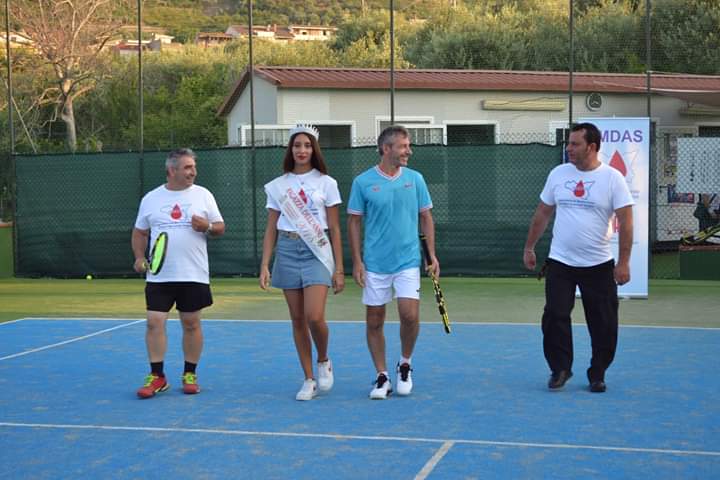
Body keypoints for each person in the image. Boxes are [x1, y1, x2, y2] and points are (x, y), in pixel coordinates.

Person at [523, 122, 634, 393]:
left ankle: (598, 373)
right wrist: (529, 247)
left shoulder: (612, 178)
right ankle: (560, 369)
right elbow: (542, 213)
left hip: (598, 265)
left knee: (604, 322)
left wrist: (623, 262)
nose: (568, 148)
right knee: (555, 315)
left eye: (574, 144)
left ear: (592, 147)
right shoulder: (558, 174)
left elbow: (626, 221)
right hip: (560, 262)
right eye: (568, 143)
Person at [347, 125, 438, 400]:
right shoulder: (362, 182)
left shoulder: (416, 179)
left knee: (409, 315)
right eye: (403, 146)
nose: (408, 151)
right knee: (375, 320)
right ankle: (382, 375)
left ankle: (405, 363)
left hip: (408, 260)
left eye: (408, 146)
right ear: (386, 149)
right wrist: (357, 261)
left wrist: (431, 256)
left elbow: (426, 218)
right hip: (375, 263)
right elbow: (353, 222)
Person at [259, 124, 344, 401]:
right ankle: (309, 378)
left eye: (307, 146)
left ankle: (323, 359)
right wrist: (265, 264)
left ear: (314, 149)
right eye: (297, 146)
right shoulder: (279, 185)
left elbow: (334, 227)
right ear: (290, 149)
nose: (302, 151)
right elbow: (271, 227)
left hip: (316, 250)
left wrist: (340, 268)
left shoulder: (327, 183)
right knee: (297, 319)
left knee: (314, 316)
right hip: (287, 247)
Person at [131, 148, 225, 399]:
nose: (193, 171)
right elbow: (140, 232)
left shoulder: (204, 195)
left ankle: (190, 374)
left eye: (193, 167)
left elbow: (220, 227)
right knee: (154, 322)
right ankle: (157, 376)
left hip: (193, 273)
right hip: (160, 276)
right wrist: (140, 257)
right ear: (171, 170)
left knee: (191, 323)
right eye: (187, 167)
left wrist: (207, 226)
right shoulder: (151, 198)